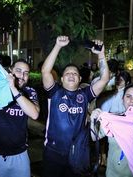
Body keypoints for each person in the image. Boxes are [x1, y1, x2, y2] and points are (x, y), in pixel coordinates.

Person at [41, 35, 109, 177]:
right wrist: (58, 46)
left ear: (79, 79)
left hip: (77, 152)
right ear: (61, 78)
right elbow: (45, 71)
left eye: (74, 73)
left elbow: (104, 79)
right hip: (53, 152)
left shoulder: (85, 94)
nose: (71, 75)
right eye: (67, 73)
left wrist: (101, 54)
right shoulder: (54, 92)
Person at [0, 59, 40, 177]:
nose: (22, 76)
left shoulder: (29, 91)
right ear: (10, 71)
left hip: (20, 154)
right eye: (18, 70)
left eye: (26, 72)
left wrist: (13, 88)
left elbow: (34, 114)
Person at [91, 71, 132, 177]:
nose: (119, 81)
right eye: (118, 79)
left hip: (119, 126)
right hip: (106, 122)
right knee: (103, 141)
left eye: (122, 79)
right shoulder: (110, 91)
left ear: (127, 82)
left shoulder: (127, 95)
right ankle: (103, 158)